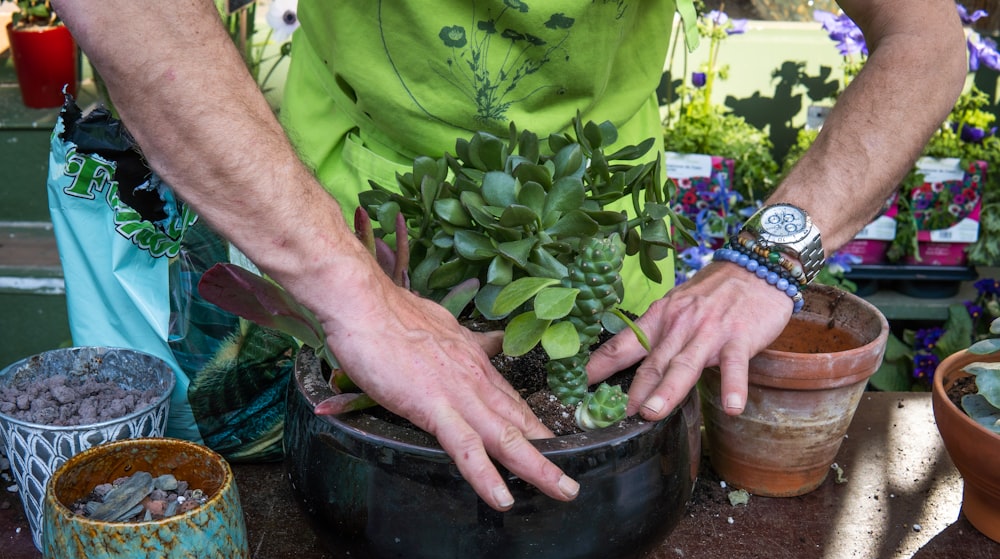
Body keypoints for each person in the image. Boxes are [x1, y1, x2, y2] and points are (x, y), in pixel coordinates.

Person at [51, 0, 967, 511]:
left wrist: (773, 252)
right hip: (342, 230)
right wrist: (351, 290)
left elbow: (925, 40)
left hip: (590, 267)